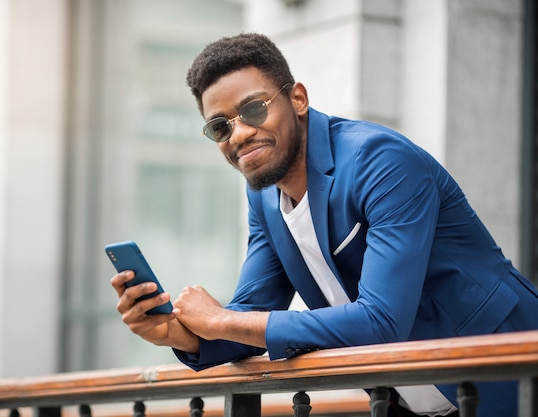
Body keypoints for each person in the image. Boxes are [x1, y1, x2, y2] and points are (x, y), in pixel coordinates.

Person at [111, 33, 538, 417]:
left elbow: (382, 320)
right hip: (412, 401)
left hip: (513, 380)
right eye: (220, 126)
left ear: (297, 98)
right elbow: (253, 314)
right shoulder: (263, 195)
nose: (238, 134)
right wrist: (177, 333)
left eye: (253, 109)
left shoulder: (381, 162)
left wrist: (221, 321)